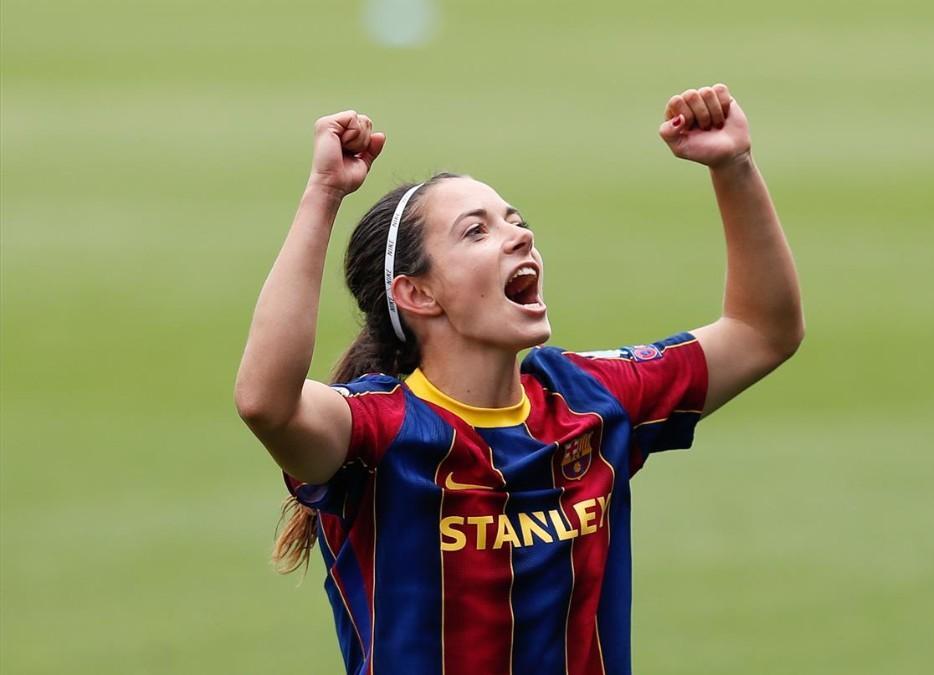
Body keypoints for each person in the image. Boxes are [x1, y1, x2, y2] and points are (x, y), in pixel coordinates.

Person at [235, 83, 803, 675]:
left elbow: (763, 331)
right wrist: (324, 194)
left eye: (515, 221)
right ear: (417, 293)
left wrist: (733, 165)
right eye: (476, 232)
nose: (520, 235)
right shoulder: (376, 433)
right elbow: (265, 403)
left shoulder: (591, 399)